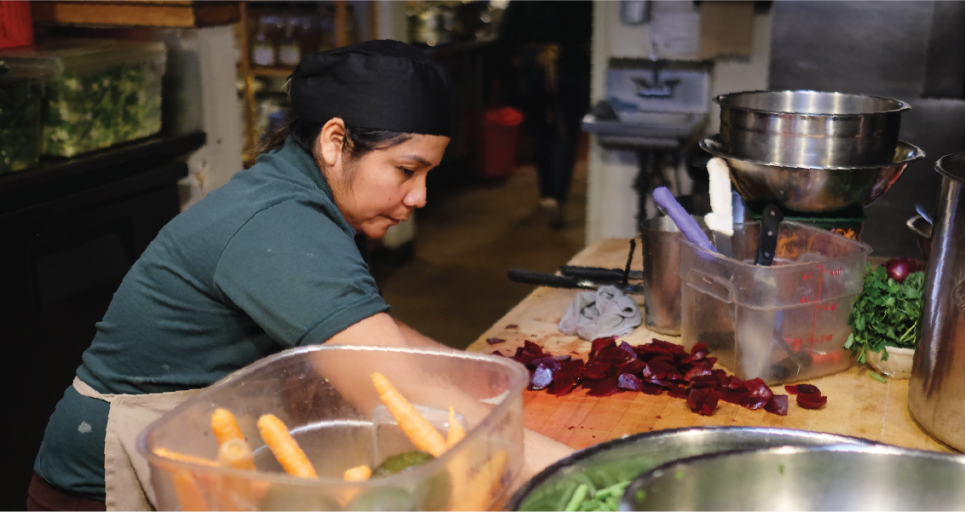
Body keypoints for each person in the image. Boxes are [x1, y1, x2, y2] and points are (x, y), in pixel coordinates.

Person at [28, 40, 572, 511]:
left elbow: (368, 334)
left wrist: (469, 377)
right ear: (336, 142)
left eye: (428, 173)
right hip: (99, 487)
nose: (420, 196)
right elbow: (391, 382)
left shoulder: (296, 193)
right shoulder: (280, 224)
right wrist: (575, 471)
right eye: (406, 170)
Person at [498, 0, 593, 228]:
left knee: (540, 132)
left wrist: (519, 55)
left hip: (534, 66)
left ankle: (547, 193)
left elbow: (504, 34)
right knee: (566, 133)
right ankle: (558, 196)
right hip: (572, 65)